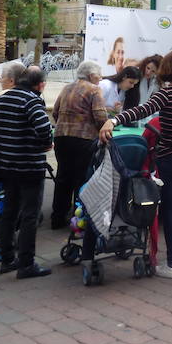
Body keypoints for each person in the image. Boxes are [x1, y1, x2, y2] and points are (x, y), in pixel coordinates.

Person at [100, 50, 172, 279]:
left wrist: (114, 119)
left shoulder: (165, 93)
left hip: (171, 158)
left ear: (167, 70)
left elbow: (142, 110)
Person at [0, 66, 53, 278]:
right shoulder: (32, 100)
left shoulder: (1, 99)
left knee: (9, 213)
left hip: (5, 166)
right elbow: (44, 129)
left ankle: (7, 260)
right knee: (30, 215)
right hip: (29, 167)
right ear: (40, 85)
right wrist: (45, 144)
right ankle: (26, 264)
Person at [51, 60, 108, 229]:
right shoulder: (94, 89)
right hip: (83, 139)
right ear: (91, 76)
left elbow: (55, 112)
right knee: (81, 178)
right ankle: (79, 220)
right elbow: (100, 117)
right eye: (99, 75)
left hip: (61, 137)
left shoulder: (67, 88)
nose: (101, 78)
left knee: (62, 177)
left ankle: (57, 217)